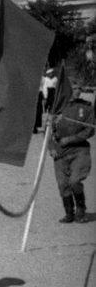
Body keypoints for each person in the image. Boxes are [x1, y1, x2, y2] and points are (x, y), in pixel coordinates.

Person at [48, 84, 94, 223]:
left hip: (79, 150)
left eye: (79, 88)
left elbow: (89, 130)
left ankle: (81, 210)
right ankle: (69, 213)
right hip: (60, 151)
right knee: (63, 184)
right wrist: (51, 148)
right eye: (73, 88)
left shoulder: (86, 108)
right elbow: (48, 131)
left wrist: (70, 139)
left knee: (74, 181)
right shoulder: (57, 108)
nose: (76, 91)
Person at [36, 67, 59, 133]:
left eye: (52, 73)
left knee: (52, 111)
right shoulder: (45, 79)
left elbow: (57, 88)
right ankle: (45, 126)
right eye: (49, 73)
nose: (51, 74)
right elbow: (44, 88)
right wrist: (45, 97)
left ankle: (52, 126)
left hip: (53, 94)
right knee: (44, 111)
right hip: (47, 94)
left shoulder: (56, 79)